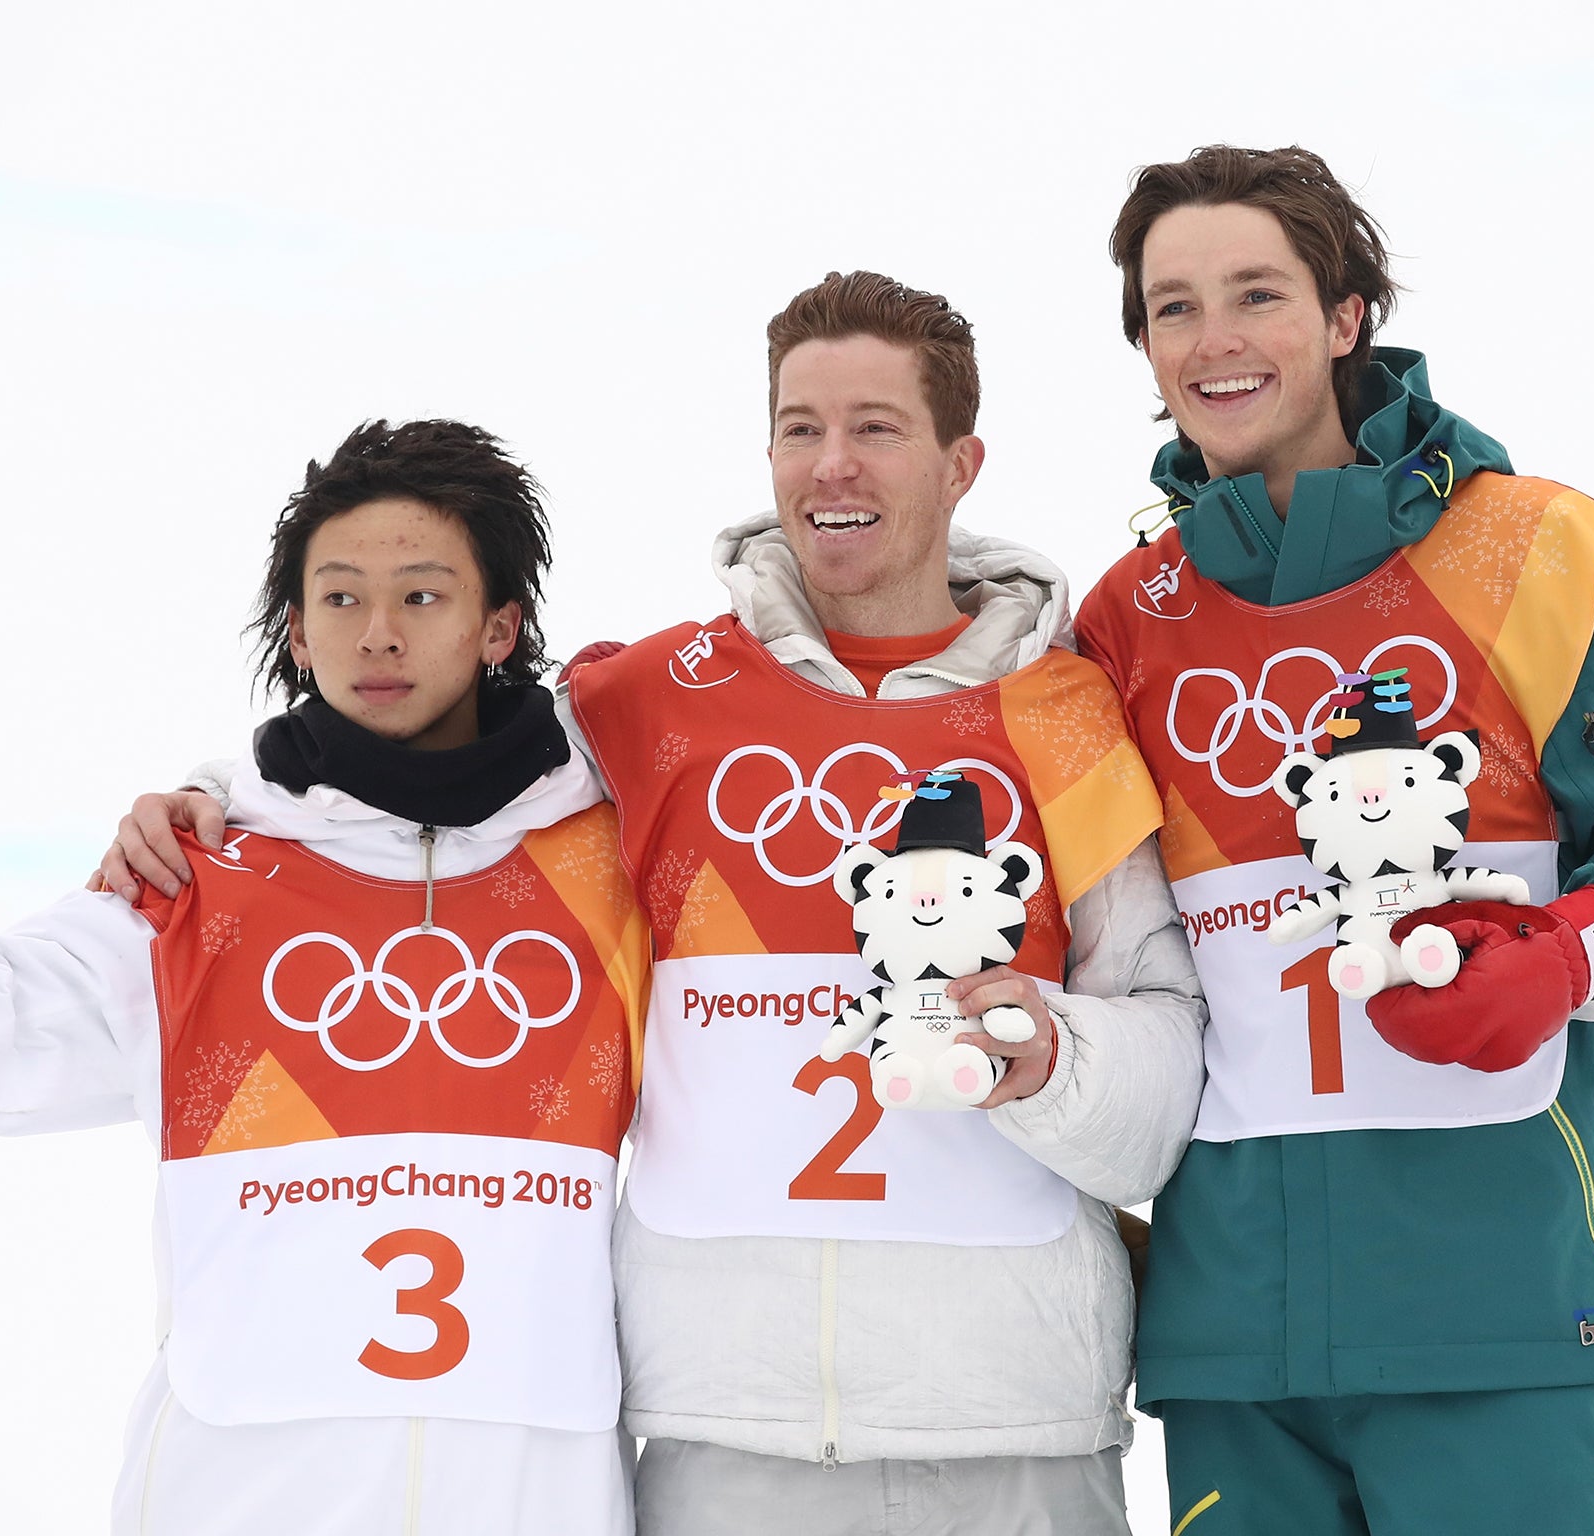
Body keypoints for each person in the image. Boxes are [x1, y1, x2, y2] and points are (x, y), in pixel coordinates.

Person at [106, 273, 1209, 1535]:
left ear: (960, 462)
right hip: (718, 1432)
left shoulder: (1063, 718)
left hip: (1013, 1421)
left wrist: (1055, 1057)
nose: (830, 466)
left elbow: (1161, 1092)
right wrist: (215, 788)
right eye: (800, 427)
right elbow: (420, 758)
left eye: (875, 428)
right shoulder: (650, 700)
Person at [0, 420, 647, 1535]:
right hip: (239, 1501)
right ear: (295, 633)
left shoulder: (616, 866)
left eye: (423, 595)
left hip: (533, 1504)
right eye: (341, 598)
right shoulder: (198, 879)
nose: (378, 634)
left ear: (499, 626)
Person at [1073, 144, 1594, 1535]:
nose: (1214, 343)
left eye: (1257, 295)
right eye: (1172, 308)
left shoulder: (1533, 553)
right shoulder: (1122, 621)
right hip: (1234, 1345)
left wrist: (1567, 952)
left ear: (1345, 319)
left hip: (1510, 1315)